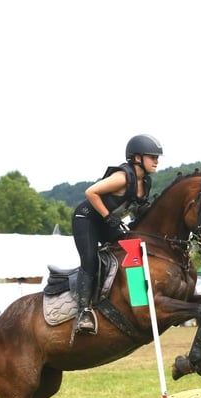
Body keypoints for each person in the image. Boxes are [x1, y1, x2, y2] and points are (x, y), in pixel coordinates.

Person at [71, 134, 163, 335]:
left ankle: (138, 300)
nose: (156, 161)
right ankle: (83, 312)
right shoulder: (122, 177)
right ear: (137, 158)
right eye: (152, 157)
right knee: (90, 259)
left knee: (133, 252)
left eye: (157, 157)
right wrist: (106, 216)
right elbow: (91, 192)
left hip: (106, 222)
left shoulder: (145, 183)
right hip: (86, 219)